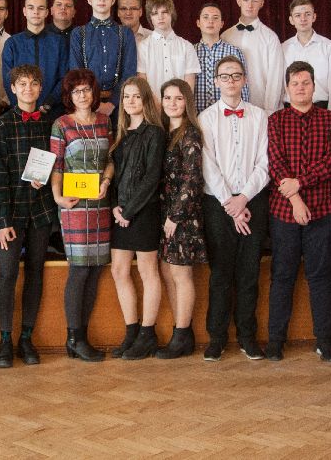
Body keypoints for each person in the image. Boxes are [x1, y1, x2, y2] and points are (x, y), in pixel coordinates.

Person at [265, 61, 331, 362]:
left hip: (322, 211)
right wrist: (296, 199)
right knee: (282, 276)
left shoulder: (330, 119)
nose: (300, 87)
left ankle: (324, 340)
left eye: (306, 82)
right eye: (295, 83)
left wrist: (299, 183)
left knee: (321, 276)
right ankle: (275, 341)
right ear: (287, 88)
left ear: (314, 86)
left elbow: (330, 162)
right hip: (284, 212)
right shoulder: (276, 120)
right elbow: (275, 163)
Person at [199, 56, 270, 361]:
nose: (230, 80)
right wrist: (231, 202)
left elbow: (265, 162)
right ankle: (216, 337)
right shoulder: (205, 118)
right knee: (220, 273)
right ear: (216, 81)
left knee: (249, 272)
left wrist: (244, 199)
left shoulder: (260, 116)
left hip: (253, 201)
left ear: (244, 80)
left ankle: (247, 336)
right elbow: (208, 165)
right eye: (225, 76)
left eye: (236, 75)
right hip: (218, 203)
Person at [0, 63, 58, 368]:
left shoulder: (51, 125)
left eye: (33, 83)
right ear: (13, 88)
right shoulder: (1, 125)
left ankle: (26, 338)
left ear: (40, 88)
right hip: (12, 215)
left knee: (35, 273)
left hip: (41, 212)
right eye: (22, 84)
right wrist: (2, 222)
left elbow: (59, 164)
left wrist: (50, 177)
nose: (28, 89)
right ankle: (5, 340)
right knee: (7, 275)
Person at [50, 69, 114, 362]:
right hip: (74, 205)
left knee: (97, 268)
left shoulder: (104, 121)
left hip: (100, 202)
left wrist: (107, 181)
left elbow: (110, 159)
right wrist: (58, 197)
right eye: (76, 91)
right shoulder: (61, 124)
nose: (82, 95)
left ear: (94, 92)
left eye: (86, 89)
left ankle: (79, 338)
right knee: (80, 270)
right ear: (69, 96)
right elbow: (57, 165)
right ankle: (75, 337)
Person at [108, 76, 166, 360]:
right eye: (126, 96)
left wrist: (129, 211)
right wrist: (115, 207)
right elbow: (113, 175)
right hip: (120, 213)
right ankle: (131, 331)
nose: (130, 101)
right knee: (119, 271)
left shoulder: (154, 133)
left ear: (146, 100)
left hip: (144, 212)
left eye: (136, 96)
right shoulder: (119, 133)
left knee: (147, 271)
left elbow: (152, 177)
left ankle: (147, 334)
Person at [156, 79, 206, 359]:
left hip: (183, 215)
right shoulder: (165, 132)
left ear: (187, 101)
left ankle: (182, 334)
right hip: (165, 212)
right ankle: (180, 331)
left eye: (178, 98)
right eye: (167, 98)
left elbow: (192, 178)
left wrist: (176, 215)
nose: (172, 103)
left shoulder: (190, 133)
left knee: (180, 273)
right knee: (167, 271)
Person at [69, 0, 138, 122]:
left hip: (120, 104)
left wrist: (112, 103)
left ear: (113, 0)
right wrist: (94, 102)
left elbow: (129, 72)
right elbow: (77, 72)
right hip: (87, 104)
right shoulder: (78, 33)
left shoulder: (125, 33)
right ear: (89, 0)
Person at [221, 0, 284, 115]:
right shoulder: (226, 36)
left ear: (262, 3)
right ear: (238, 1)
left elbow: (275, 77)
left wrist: (269, 111)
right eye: (246, 0)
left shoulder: (270, 37)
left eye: (255, 1)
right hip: (230, 107)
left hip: (261, 107)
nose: (250, 5)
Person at [3, 0, 69, 117]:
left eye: (41, 8)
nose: (36, 12)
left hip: (53, 111)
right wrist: (22, 106)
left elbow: (64, 77)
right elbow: (8, 80)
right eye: (31, 7)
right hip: (21, 113)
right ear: (24, 11)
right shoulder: (12, 43)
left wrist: (49, 102)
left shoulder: (59, 42)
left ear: (47, 12)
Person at [137, 0, 199, 100]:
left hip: (180, 107)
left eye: (164, 12)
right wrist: (155, 106)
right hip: (152, 106)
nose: (160, 17)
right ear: (150, 17)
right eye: (155, 13)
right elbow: (142, 82)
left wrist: (178, 105)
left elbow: (189, 87)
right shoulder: (142, 47)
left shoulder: (186, 46)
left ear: (172, 13)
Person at [281, 0, 331, 110]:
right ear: (291, 20)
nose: (303, 19)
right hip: (290, 109)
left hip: (322, 108)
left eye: (307, 14)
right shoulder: (283, 48)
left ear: (314, 17)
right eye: (298, 15)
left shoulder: (329, 47)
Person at [193, 2, 250, 114]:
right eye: (206, 17)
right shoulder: (190, 51)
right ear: (198, 23)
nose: (210, 21)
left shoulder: (234, 52)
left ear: (222, 24)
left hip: (226, 115)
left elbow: (243, 87)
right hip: (196, 116)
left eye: (215, 18)